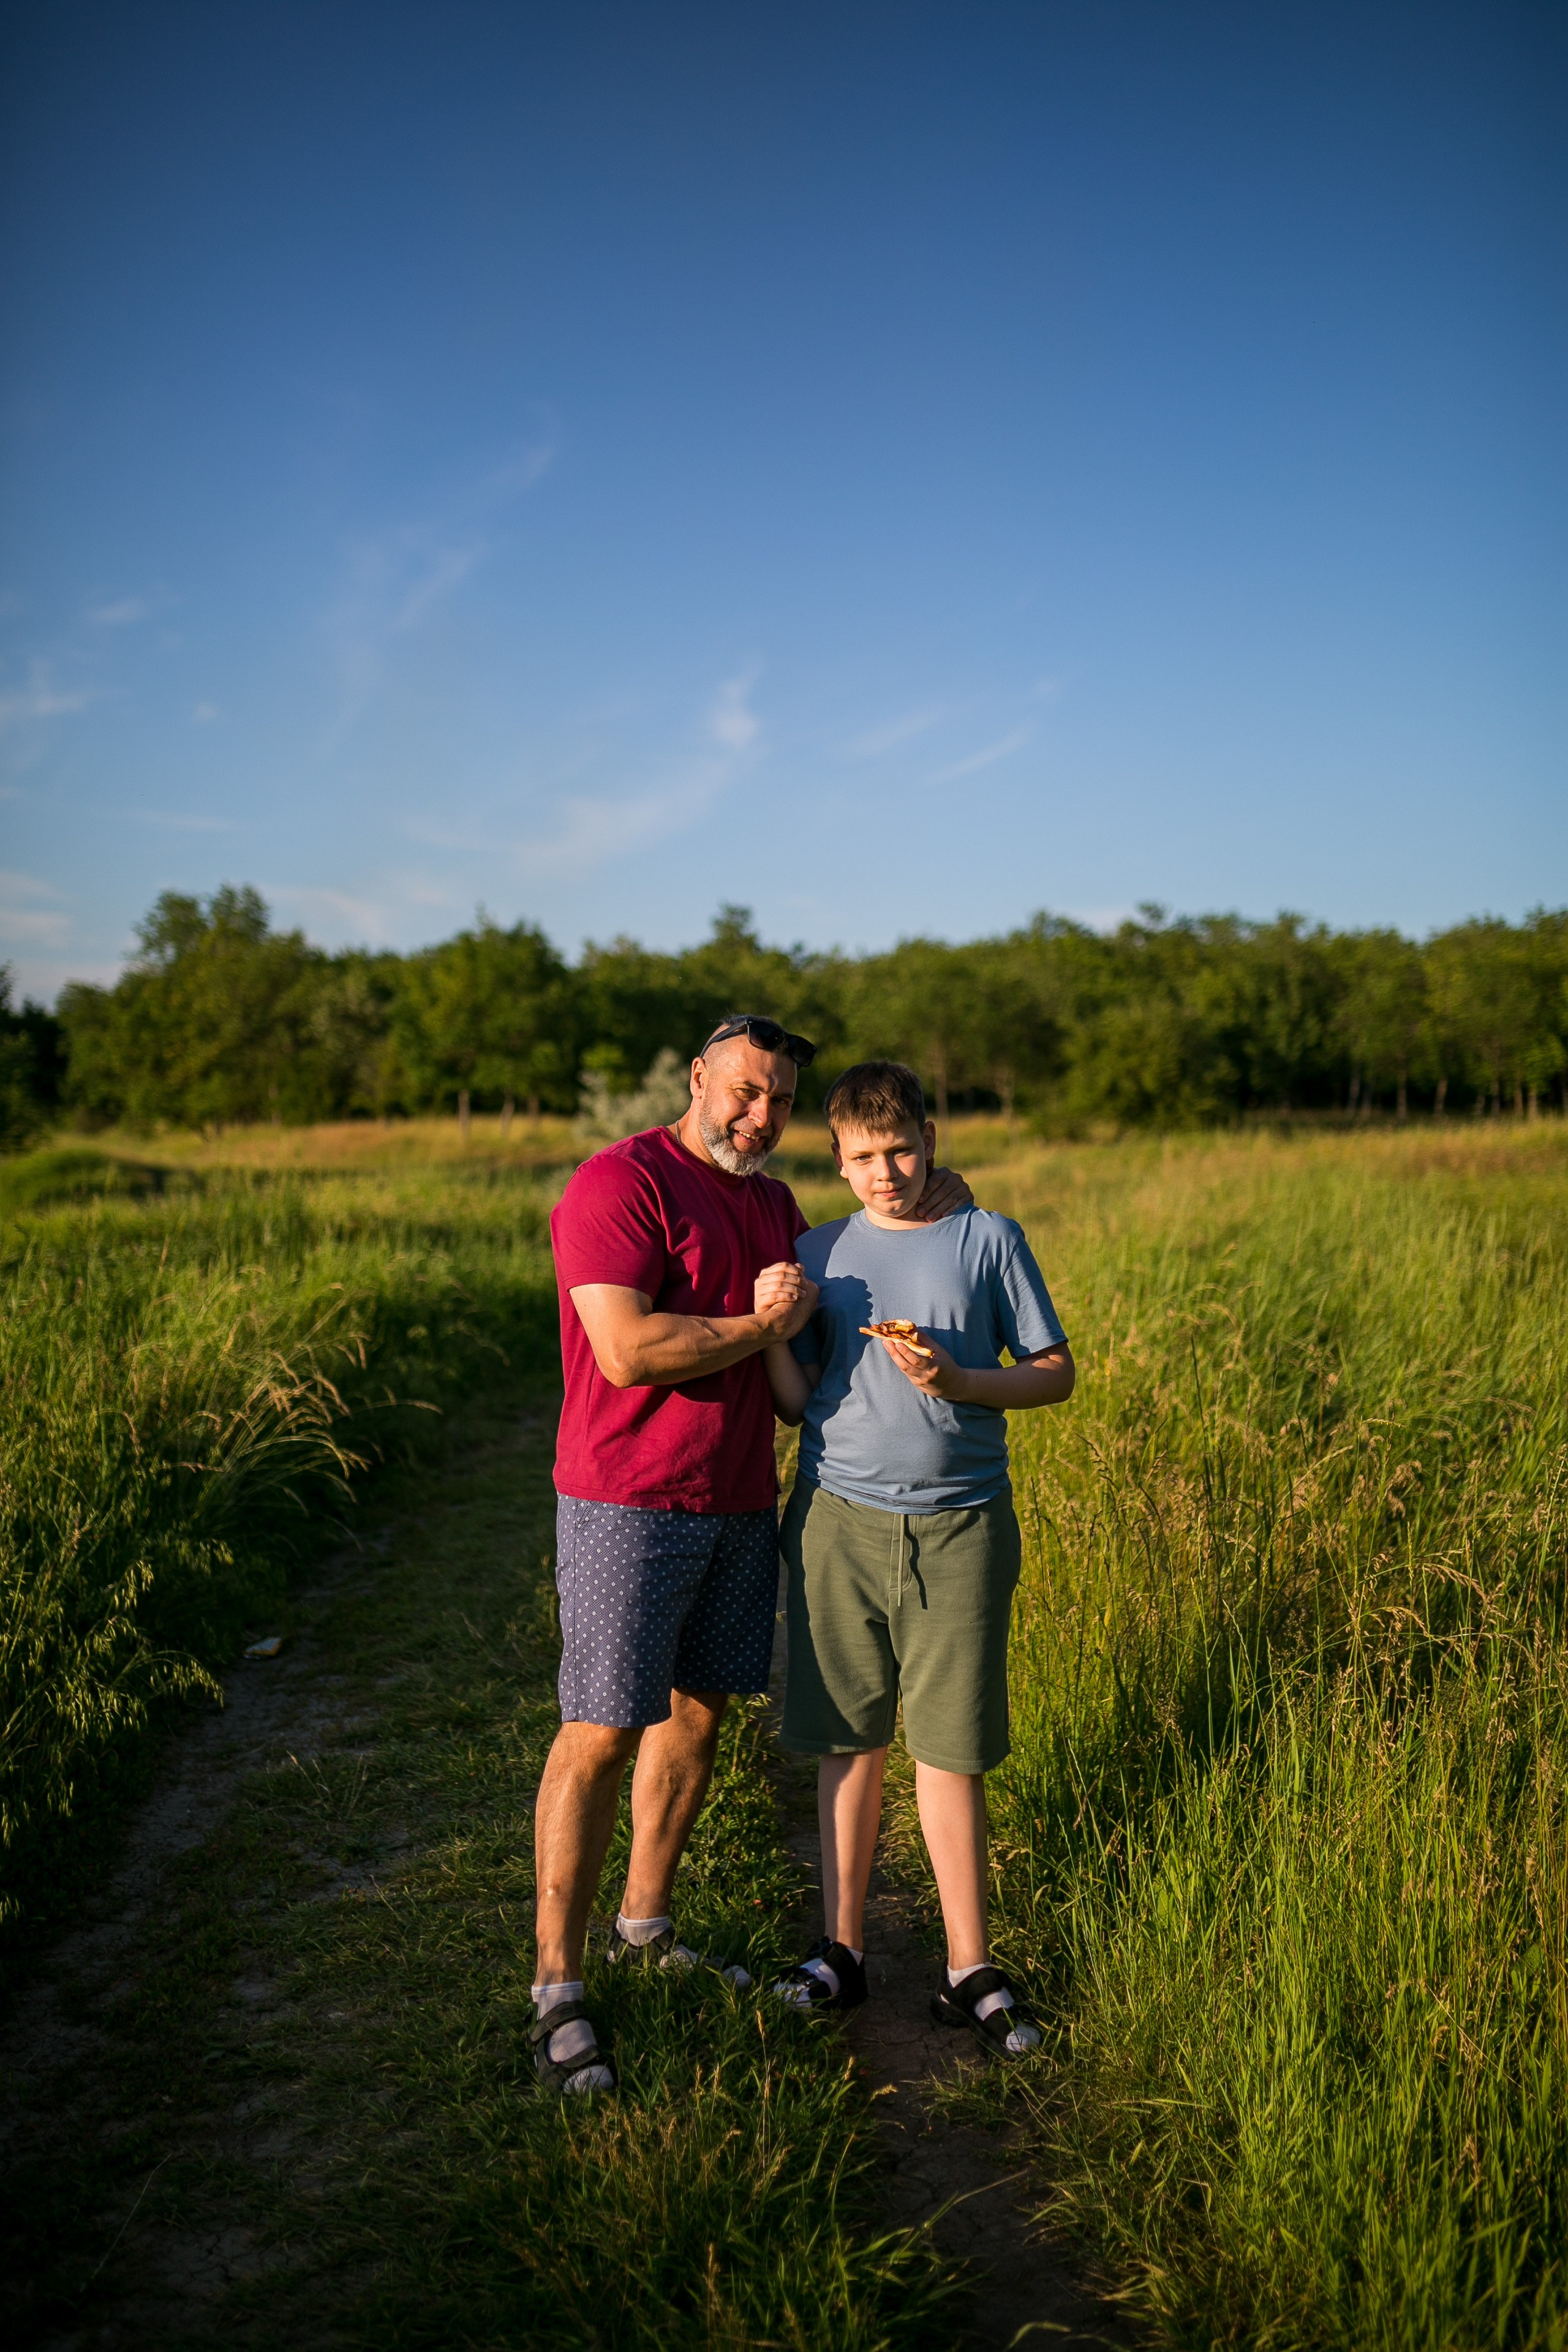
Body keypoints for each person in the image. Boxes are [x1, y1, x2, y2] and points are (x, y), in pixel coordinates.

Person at [531, 1017, 971, 2095]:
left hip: (737, 1499)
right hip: (624, 1497)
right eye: (743, 1090)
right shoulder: (617, 1185)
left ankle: (646, 1925)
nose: (758, 1116)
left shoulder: (772, 1202)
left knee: (697, 1716)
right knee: (598, 1730)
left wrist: (942, 1193)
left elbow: (864, 1230)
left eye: (777, 1100)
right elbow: (631, 1352)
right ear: (697, 1078)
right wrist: (759, 1325)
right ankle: (556, 1987)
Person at [762, 1059, 1074, 2056]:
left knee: (950, 1750)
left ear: (931, 1141)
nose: (885, 1172)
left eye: (900, 1149)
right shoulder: (821, 1253)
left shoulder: (989, 1240)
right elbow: (790, 1399)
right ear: (839, 1161)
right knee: (848, 1740)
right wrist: (774, 1325)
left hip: (963, 1523)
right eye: (862, 1156)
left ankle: (968, 1967)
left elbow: (1055, 1374)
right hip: (837, 1523)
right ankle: (841, 1952)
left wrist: (963, 1381)